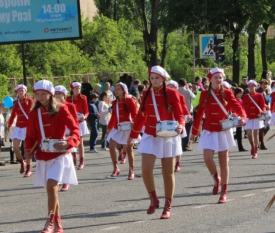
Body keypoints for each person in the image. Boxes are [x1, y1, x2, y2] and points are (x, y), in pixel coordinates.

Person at [25, 80, 81, 233]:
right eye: (37, 94)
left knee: (52, 185)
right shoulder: (34, 113)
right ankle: (58, 226)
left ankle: (50, 221)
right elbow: (30, 136)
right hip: (43, 155)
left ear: (50, 94)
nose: (40, 97)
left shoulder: (62, 109)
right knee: (51, 190)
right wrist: (28, 151)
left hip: (60, 155)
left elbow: (75, 130)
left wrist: (69, 142)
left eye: (43, 94)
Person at [130, 67, 187, 218]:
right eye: (152, 78)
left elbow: (180, 114)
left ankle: (168, 205)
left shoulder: (172, 93)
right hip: (150, 134)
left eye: (157, 78)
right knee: (146, 170)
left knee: (167, 173)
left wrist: (181, 124)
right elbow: (140, 115)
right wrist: (133, 135)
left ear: (163, 79)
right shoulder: (146, 93)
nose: (154, 80)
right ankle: (153, 199)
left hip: (168, 134)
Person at [190, 68, 246, 204]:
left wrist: (242, 117)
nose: (218, 80)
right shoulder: (204, 94)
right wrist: (194, 130)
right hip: (209, 129)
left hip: (223, 130)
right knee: (207, 157)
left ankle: (224, 191)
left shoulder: (227, 92)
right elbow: (199, 113)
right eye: (216, 77)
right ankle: (216, 177)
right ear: (210, 79)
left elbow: (237, 107)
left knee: (223, 161)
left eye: (220, 78)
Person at [105, 83, 138, 179]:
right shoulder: (115, 102)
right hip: (117, 127)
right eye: (115, 89)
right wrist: (109, 128)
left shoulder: (129, 100)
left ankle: (131, 170)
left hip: (127, 127)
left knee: (129, 148)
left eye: (118, 89)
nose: (116, 91)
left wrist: (134, 124)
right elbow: (114, 116)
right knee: (111, 145)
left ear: (124, 90)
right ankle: (116, 167)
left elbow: (135, 114)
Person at [7, 84, 34, 176]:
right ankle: (22, 162)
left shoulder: (30, 101)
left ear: (25, 91)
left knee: (27, 149)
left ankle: (29, 169)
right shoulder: (15, 103)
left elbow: (33, 113)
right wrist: (9, 125)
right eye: (19, 91)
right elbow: (13, 114)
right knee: (15, 147)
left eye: (22, 90)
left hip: (27, 126)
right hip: (18, 126)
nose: (21, 92)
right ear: (17, 92)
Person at [242, 80, 267, 159]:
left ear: (255, 86)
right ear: (248, 87)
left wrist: (263, 110)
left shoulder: (259, 95)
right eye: (249, 86)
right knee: (249, 134)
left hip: (257, 116)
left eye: (253, 86)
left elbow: (263, 105)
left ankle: (256, 150)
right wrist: (242, 114)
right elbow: (243, 106)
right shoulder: (246, 96)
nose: (251, 87)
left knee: (256, 134)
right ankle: (252, 145)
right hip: (249, 116)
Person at [67, 82, 89, 169]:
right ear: (72, 89)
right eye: (76, 88)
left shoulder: (83, 97)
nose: (78, 90)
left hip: (80, 121)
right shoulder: (68, 98)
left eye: (79, 88)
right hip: (71, 122)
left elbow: (86, 111)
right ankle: (74, 154)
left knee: (80, 142)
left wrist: (84, 116)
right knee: (70, 139)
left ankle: (82, 161)